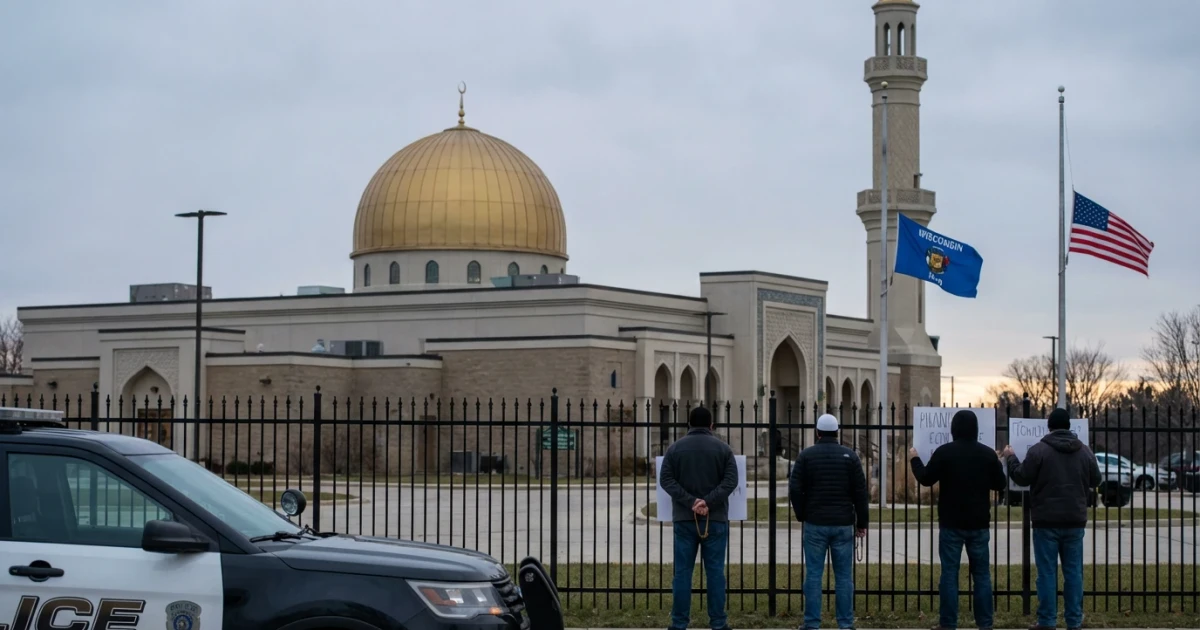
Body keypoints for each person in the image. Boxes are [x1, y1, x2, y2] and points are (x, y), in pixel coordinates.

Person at [1003, 408, 1102, 630]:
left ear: (1049, 426)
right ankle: (1074, 621)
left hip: (1045, 521)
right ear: (1069, 426)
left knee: (1047, 573)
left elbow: (1021, 476)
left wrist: (1011, 458)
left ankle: (1047, 621)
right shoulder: (1084, 451)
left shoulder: (1039, 450)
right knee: (1073, 572)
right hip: (1075, 520)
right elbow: (1096, 479)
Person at [909, 409, 1007, 630]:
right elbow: (1000, 484)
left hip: (951, 522)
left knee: (949, 575)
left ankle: (948, 623)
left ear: (953, 429)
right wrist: (995, 462)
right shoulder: (987, 454)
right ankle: (985, 624)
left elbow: (926, 478)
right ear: (976, 430)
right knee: (981, 575)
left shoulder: (945, 452)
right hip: (979, 523)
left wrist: (914, 459)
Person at [659, 406, 739, 630]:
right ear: (711, 425)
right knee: (715, 572)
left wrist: (691, 502)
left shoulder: (675, 449)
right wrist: (708, 502)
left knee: (683, 573)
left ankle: (679, 623)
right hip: (715, 518)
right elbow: (730, 481)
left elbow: (666, 479)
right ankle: (718, 622)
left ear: (689, 424)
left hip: (685, 518)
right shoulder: (723, 449)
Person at [789, 413, 869, 630]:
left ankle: (811, 623)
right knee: (843, 577)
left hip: (815, 522)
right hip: (843, 523)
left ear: (817, 433)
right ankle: (845, 623)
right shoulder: (850, 457)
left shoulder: (806, 456)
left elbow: (795, 488)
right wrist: (862, 523)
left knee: (814, 575)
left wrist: (802, 514)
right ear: (837, 432)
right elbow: (860, 493)